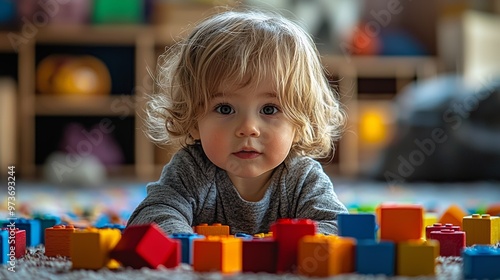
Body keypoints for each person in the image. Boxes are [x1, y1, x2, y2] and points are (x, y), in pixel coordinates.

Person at [127, 8, 348, 235]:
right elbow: (151, 217)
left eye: (269, 109)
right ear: (193, 119)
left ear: (302, 123)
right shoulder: (191, 170)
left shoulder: (302, 178)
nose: (248, 128)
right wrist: (190, 245)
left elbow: (336, 227)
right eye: (225, 109)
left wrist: (282, 249)